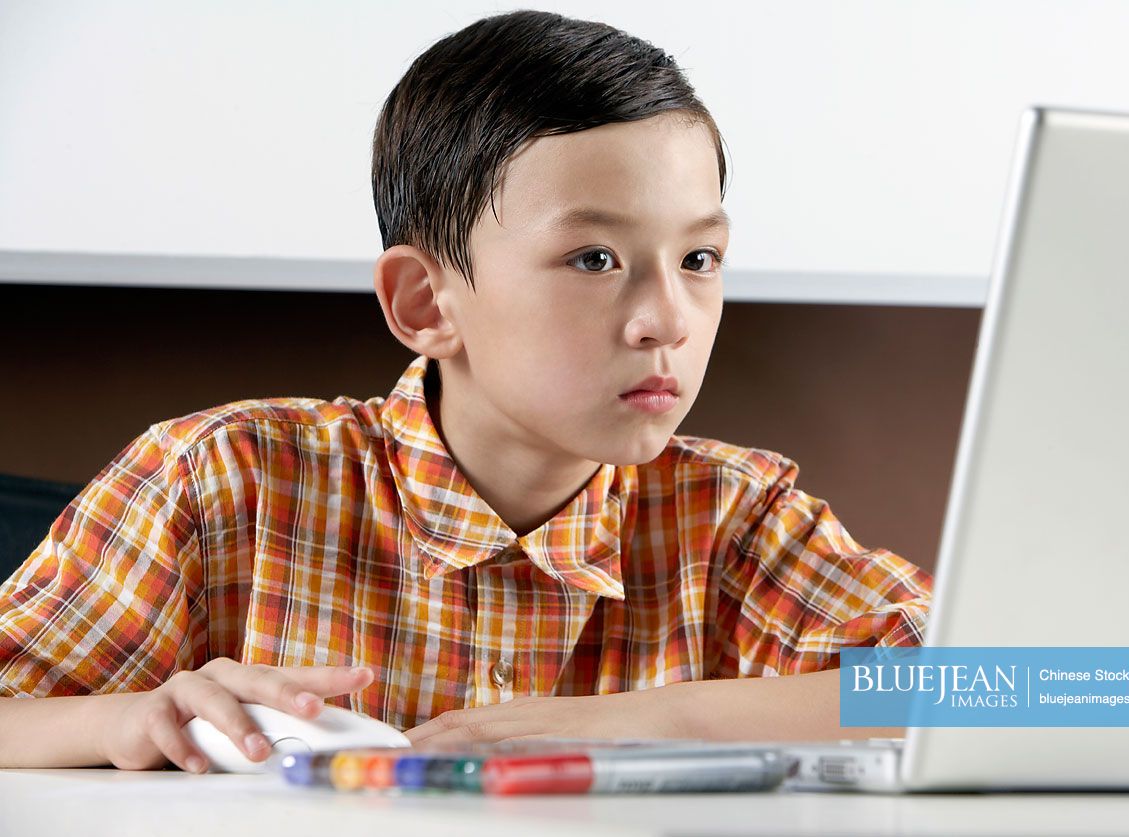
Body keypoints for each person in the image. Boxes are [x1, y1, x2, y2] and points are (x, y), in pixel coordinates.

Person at [0, 9, 931, 773]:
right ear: (425, 301)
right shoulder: (220, 478)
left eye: (698, 258)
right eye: (593, 257)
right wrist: (122, 719)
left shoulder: (734, 517)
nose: (669, 319)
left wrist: (650, 722)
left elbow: (1050, 691)